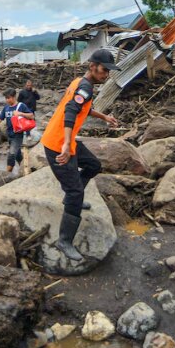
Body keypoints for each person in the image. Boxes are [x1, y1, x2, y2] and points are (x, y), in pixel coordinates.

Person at [40, 49, 120, 262]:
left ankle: (71, 198)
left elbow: (83, 107)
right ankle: (64, 241)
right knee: (76, 192)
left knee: (93, 165)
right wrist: (66, 143)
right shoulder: (84, 86)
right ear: (92, 66)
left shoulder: (82, 84)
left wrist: (104, 117)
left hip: (64, 140)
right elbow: (70, 111)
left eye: (109, 71)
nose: (107, 75)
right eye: (104, 70)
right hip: (58, 144)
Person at [0, 88, 34, 173]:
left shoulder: (21, 106)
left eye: (9, 98)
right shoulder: (6, 108)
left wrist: (20, 113)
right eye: (6, 98)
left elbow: (31, 116)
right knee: (18, 154)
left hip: (18, 135)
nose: (7, 100)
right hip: (9, 135)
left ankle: (7, 174)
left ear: (14, 97)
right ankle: (24, 169)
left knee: (12, 154)